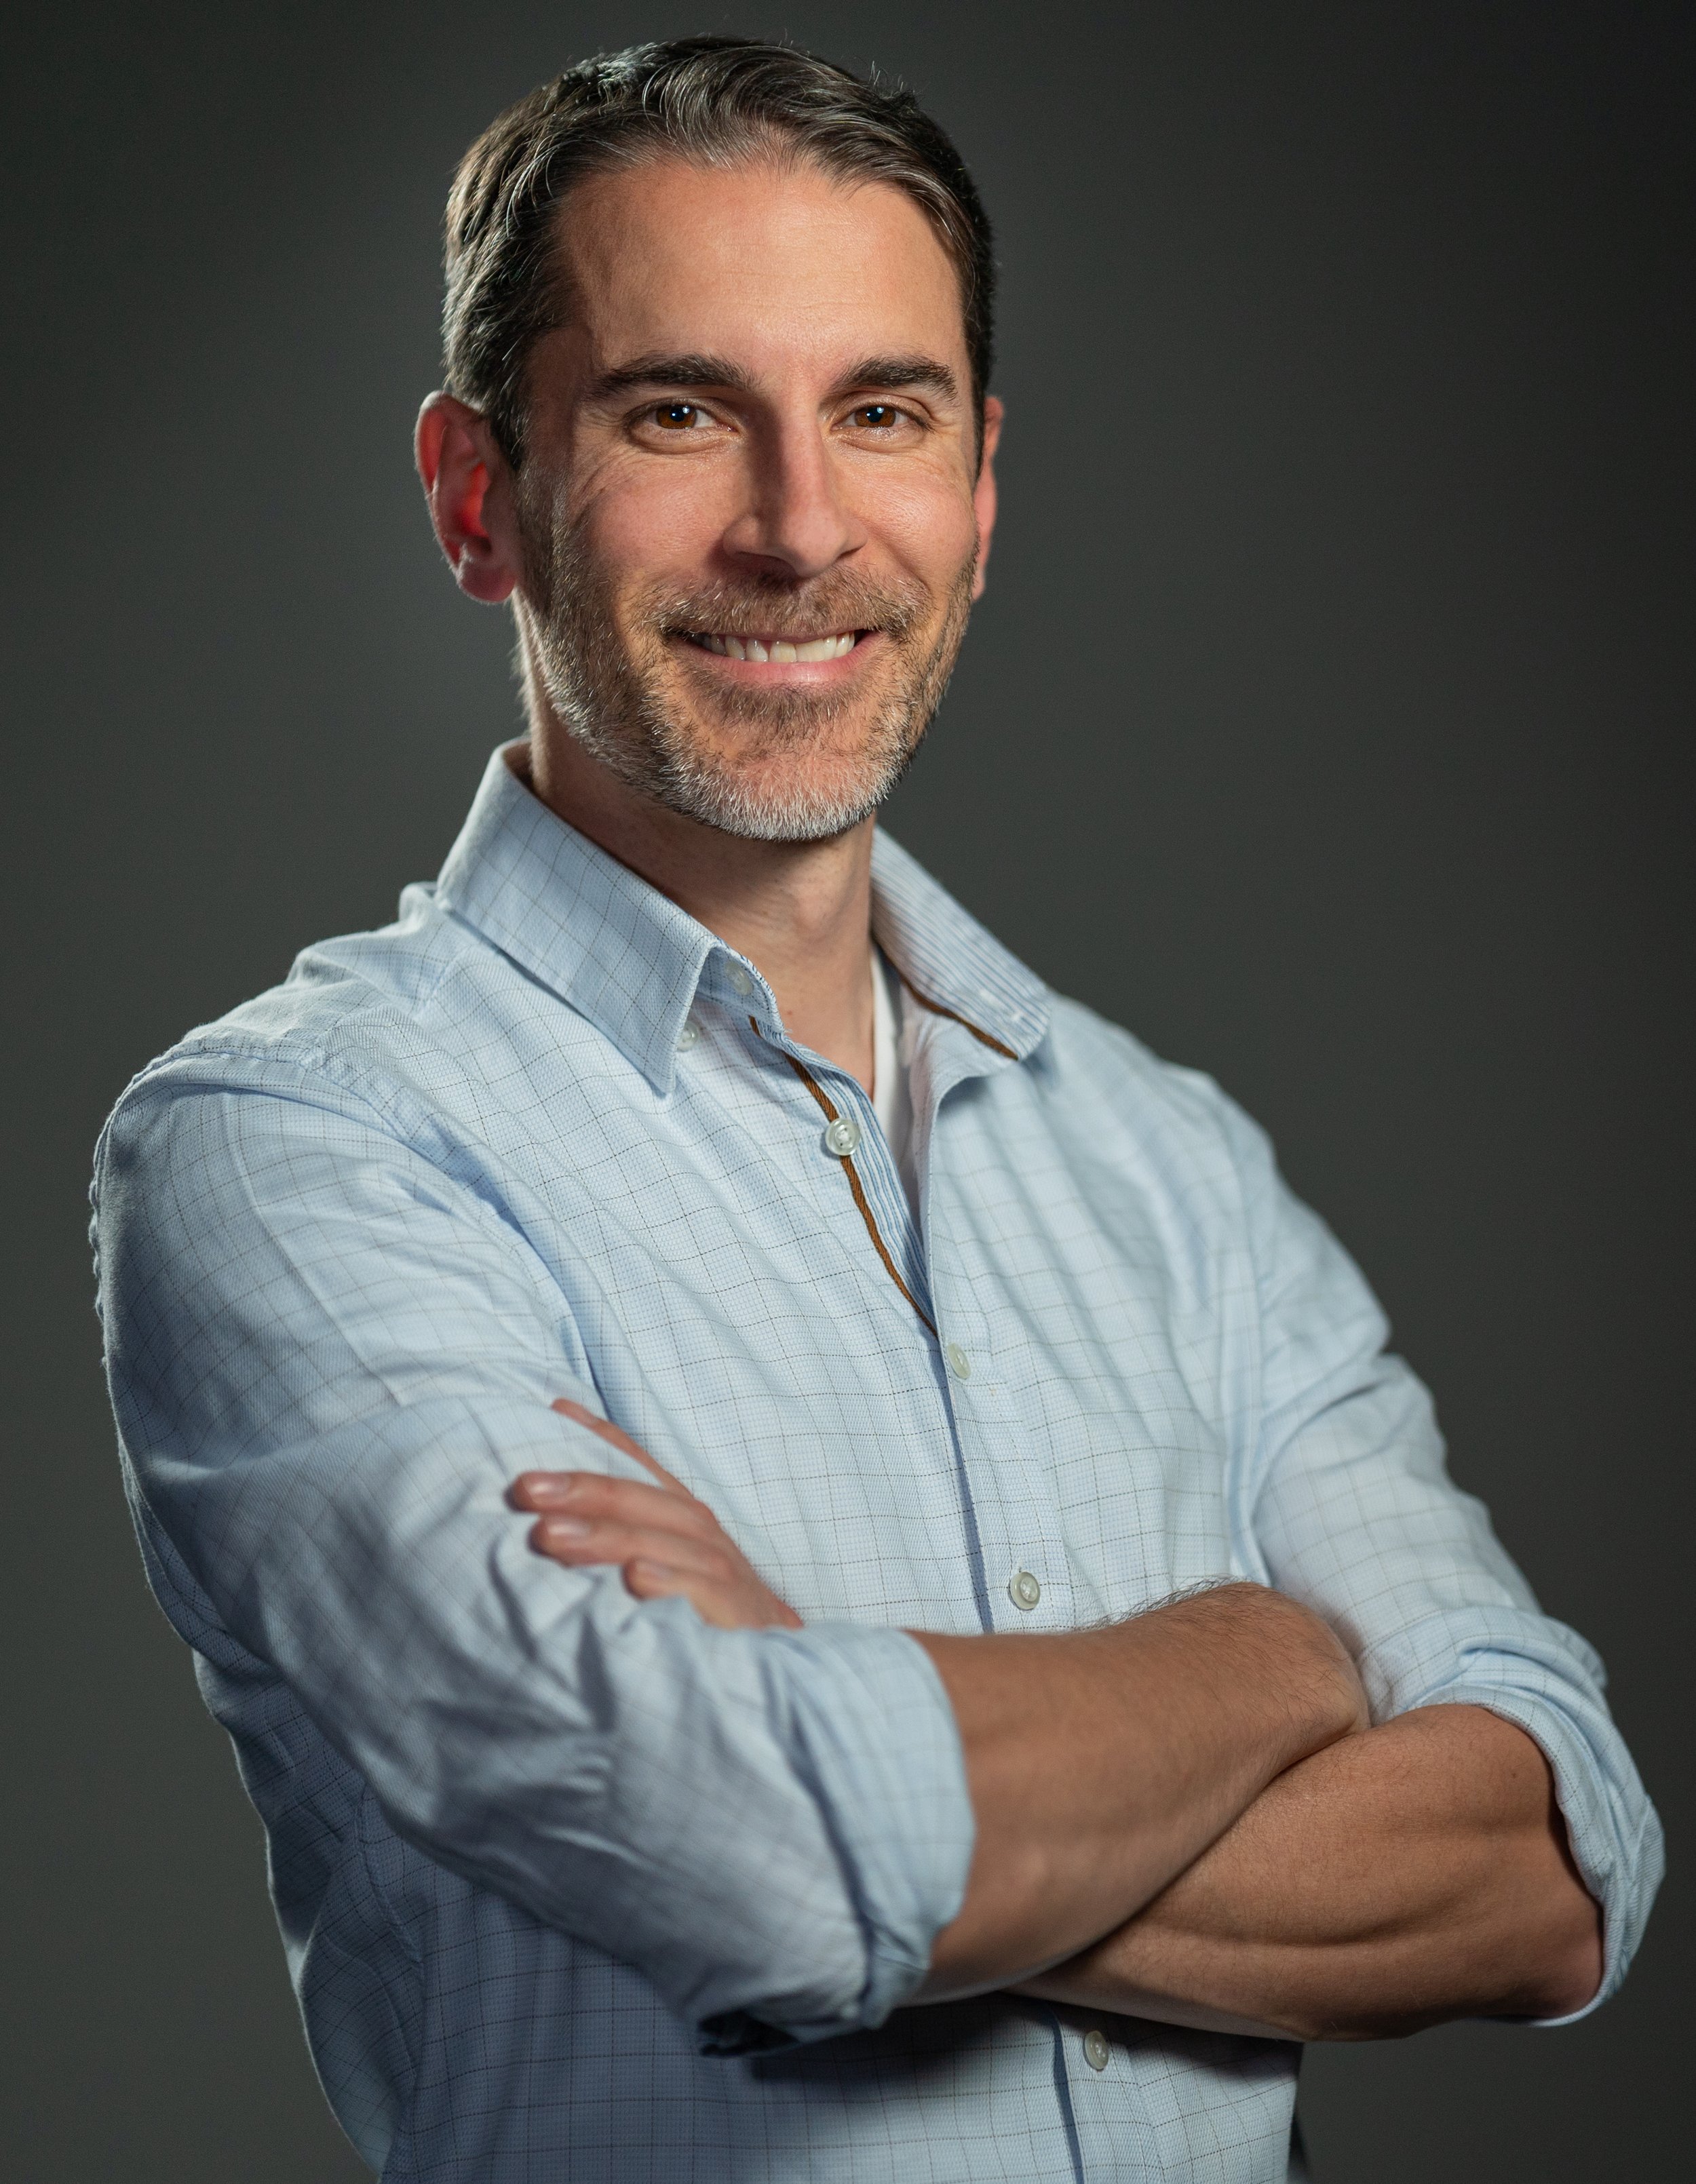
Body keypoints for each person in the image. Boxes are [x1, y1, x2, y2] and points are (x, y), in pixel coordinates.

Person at [93, 35, 1660, 2184]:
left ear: (980, 490)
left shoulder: (1165, 1160)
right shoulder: (298, 1149)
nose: (801, 525)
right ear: (479, 499)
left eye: (882, 413)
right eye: (674, 411)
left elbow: (1544, 1864)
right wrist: (1270, 1655)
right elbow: (750, 1857)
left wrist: (843, 1696)